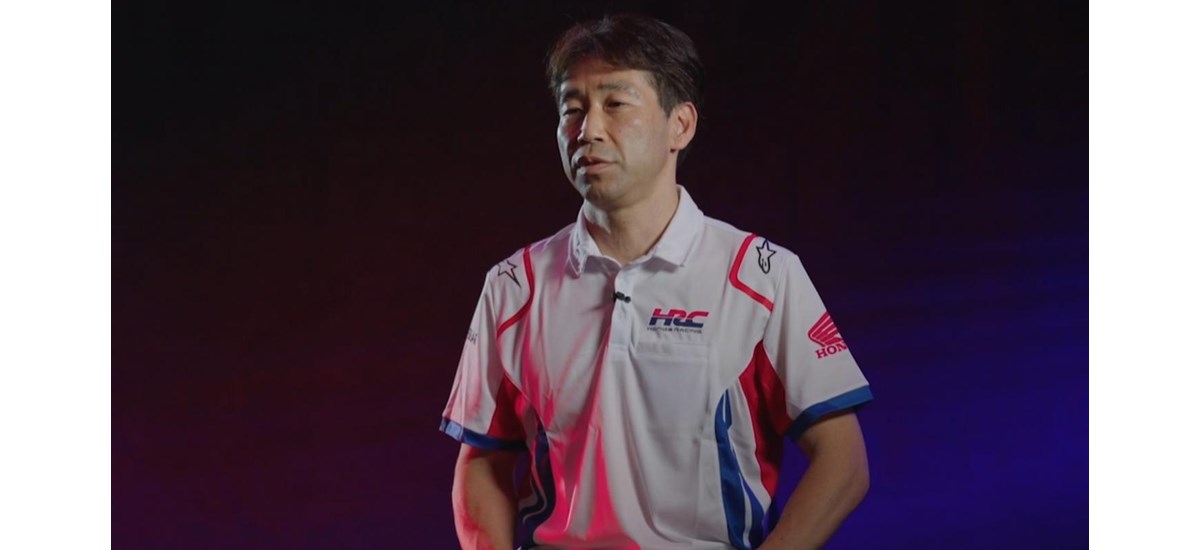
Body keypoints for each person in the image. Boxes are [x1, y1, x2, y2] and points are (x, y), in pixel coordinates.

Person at [440, 14, 873, 550]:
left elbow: (844, 463)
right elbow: (480, 462)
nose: (588, 130)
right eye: (572, 108)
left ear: (680, 125)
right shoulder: (513, 286)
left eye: (615, 104)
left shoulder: (761, 276)